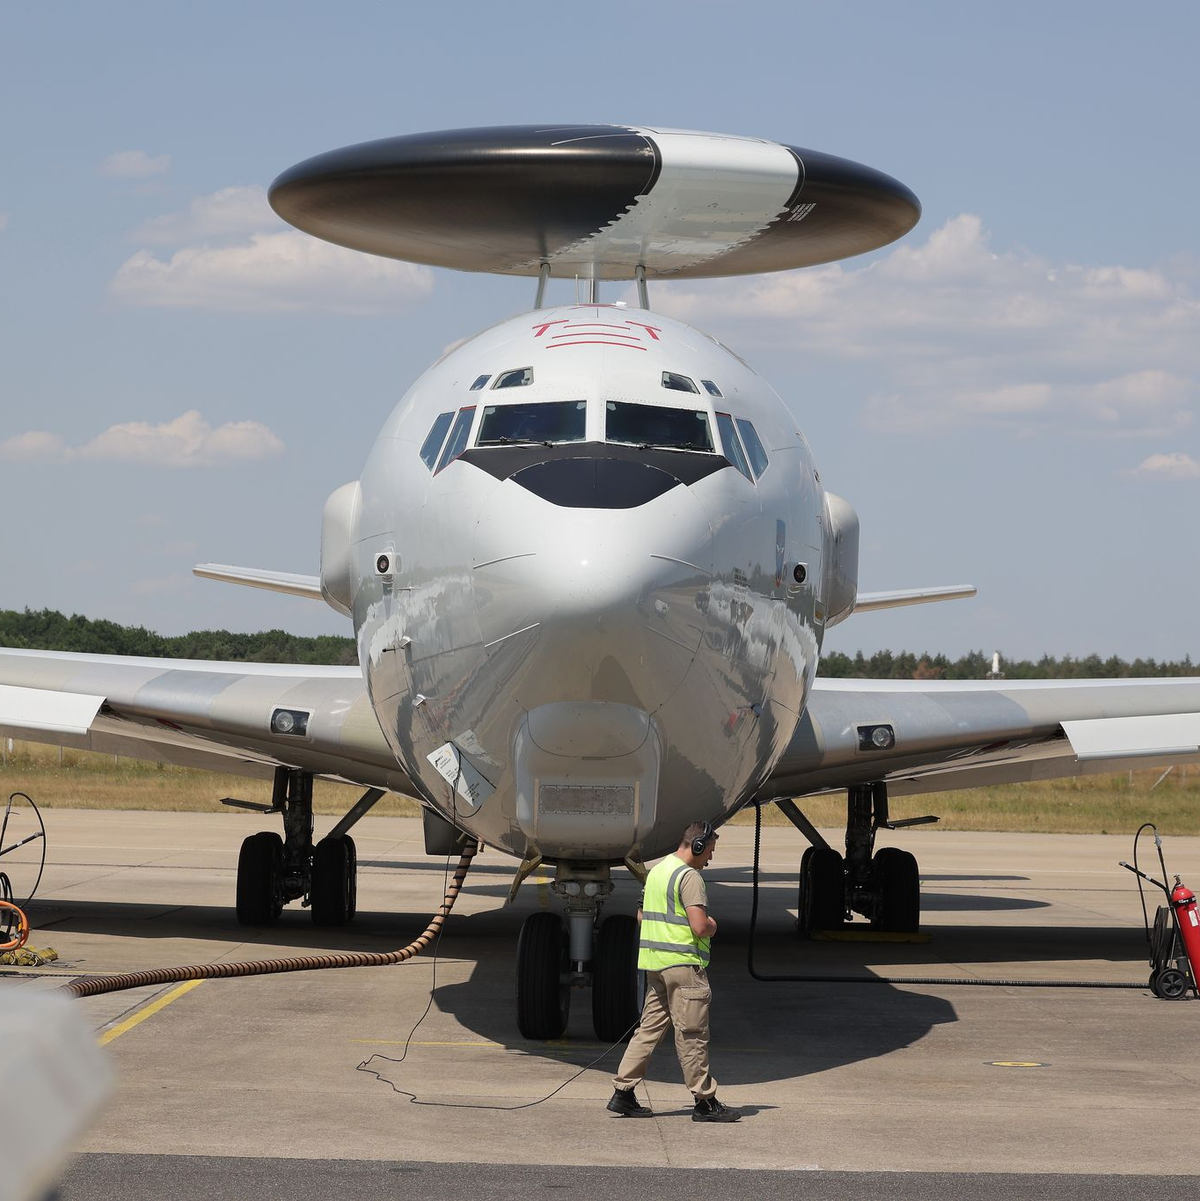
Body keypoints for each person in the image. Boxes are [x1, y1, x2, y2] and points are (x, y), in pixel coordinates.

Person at [606, 821, 742, 1122]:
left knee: (648, 1030)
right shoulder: (689, 877)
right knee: (692, 1034)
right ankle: (705, 1101)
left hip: (655, 966)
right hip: (683, 967)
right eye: (709, 851)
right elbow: (699, 925)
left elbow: (641, 916)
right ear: (696, 846)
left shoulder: (657, 872)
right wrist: (714, 927)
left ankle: (623, 1092)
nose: (710, 858)